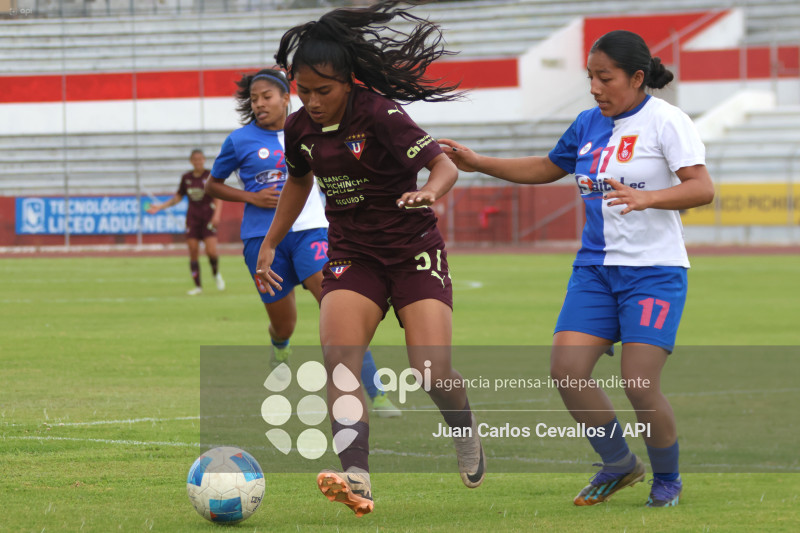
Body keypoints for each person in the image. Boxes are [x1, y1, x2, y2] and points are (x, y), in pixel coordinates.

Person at [441, 29, 714, 508]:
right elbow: (548, 167)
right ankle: (619, 464)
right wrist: (478, 163)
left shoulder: (668, 121)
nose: (594, 87)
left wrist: (648, 197)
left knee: (639, 383)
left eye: (604, 77)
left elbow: (701, 188)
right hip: (593, 270)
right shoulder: (587, 123)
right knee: (567, 370)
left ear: (636, 77)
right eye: (589, 76)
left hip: (653, 272)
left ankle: (667, 479)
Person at [255, 0, 485, 518]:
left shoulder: (380, 113)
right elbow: (298, 179)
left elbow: (443, 166)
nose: (312, 102)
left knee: (431, 370)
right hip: (353, 255)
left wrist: (430, 190)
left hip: (412, 254)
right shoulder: (299, 129)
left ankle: (464, 428)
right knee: (339, 357)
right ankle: (356, 473)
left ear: (349, 81)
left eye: (324, 91)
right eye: (304, 91)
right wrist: (271, 240)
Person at [204, 68, 400, 418]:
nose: (260, 104)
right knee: (284, 323)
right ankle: (280, 346)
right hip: (261, 241)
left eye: (267, 97)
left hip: (313, 232)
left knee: (337, 308)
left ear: (284, 98)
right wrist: (249, 196)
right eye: (254, 99)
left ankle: (377, 393)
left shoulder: (309, 128)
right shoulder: (239, 140)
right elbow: (212, 185)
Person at [147, 149, 225, 296]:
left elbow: (218, 196)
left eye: (200, 159)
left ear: (204, 160)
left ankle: (215, 274)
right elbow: (178, 197)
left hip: (208, 217)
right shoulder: (186, 178)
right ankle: (198, 287)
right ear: (191, 161)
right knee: (193, 251)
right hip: (193, 219)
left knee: (211, 252)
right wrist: (160, 206)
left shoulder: (210, 176)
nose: (198, 162)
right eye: (195, 159)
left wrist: (217, 215)